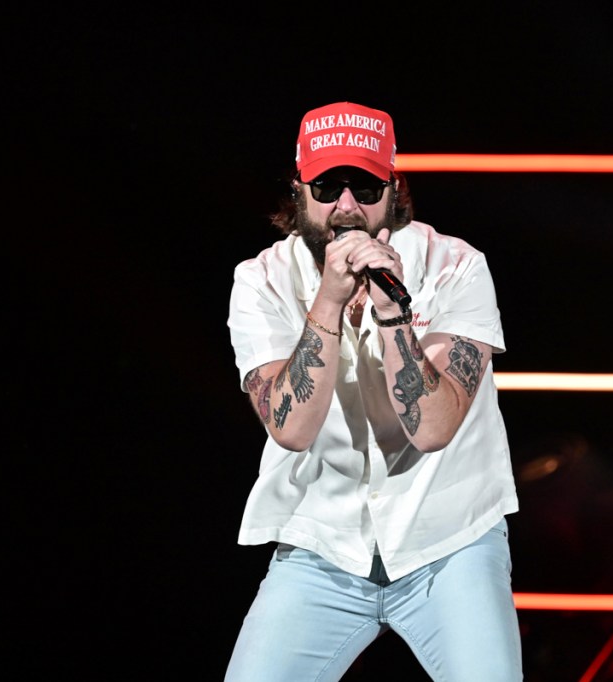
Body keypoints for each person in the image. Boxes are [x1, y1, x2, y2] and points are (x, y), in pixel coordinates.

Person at [224, 101, 522, 681]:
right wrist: (329, 301)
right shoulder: (259, 280)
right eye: (328, 185)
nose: (346, 206)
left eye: (363, 184)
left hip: (450, 544)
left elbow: (433, 428)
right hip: (319, 548)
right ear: (299, 187)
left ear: (392, 187)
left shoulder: (457, 268)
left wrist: (393, 313)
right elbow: (291, 428)